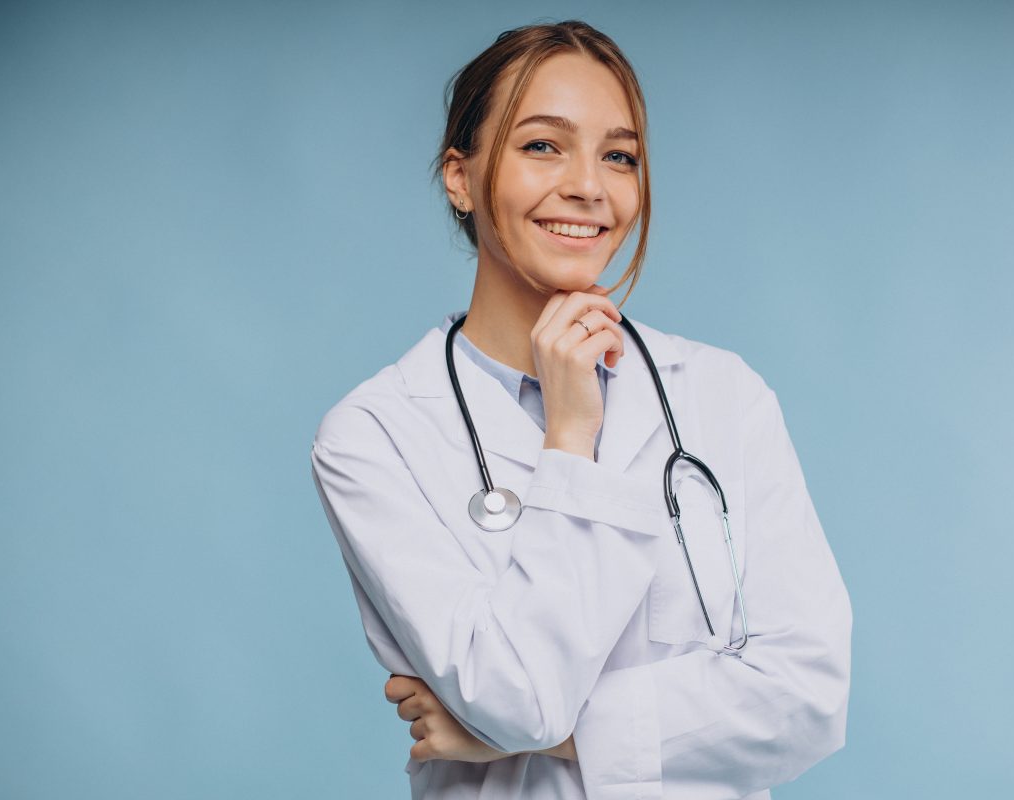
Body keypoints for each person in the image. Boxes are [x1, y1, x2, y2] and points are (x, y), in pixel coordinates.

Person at [310, 19, 852, 800]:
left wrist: (560, 735)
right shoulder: (376, 435)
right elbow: (519, 698)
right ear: (459, 178)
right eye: (542, 146)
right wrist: (571, 438)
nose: (589, 187)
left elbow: (808, 698)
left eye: (619, 156)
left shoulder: (722, 394)